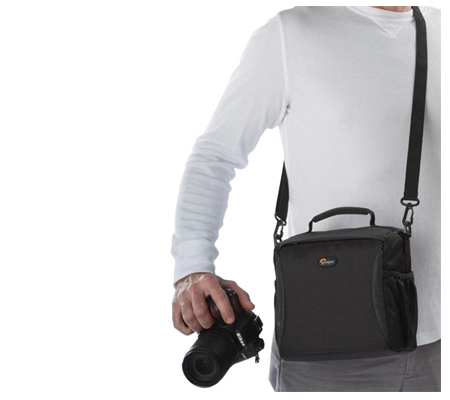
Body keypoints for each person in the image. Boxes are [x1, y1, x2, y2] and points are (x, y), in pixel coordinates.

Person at [171, 6, 441, 392]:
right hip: (333, 343)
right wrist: (193, 265)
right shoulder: (291, 33)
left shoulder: (440, 25)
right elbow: (215, 156)